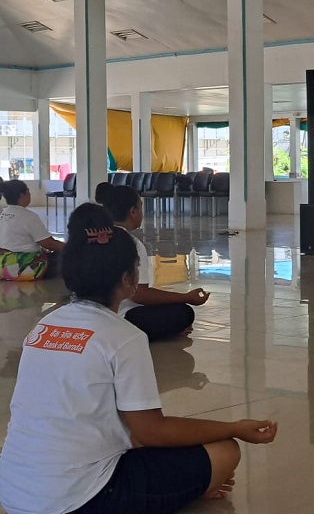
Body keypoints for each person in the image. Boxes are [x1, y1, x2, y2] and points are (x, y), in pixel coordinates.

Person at [0, 203, 278, 514]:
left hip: (14, 493)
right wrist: (234, 427)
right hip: (80, 500)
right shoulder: (124, 337)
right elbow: (151, 432)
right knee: (224, 452)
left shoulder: (43, 327)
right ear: (129, 279)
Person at [97, 184, 208, 341]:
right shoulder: (132, 244)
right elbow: (140, 295)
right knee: (183, 313)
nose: (142, 213)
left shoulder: (95, 237)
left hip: (89, 312)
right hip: (122, 316)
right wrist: (186, 297)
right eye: (140, 208)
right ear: (133, 211)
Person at [0, 180, 63, 280]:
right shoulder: (29, 216)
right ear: (22, 195)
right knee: (63, 257)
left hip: (2, 266)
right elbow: (49, 244)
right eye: (28, 192)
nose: (30, 195)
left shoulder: (2, 215)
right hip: (23, 267)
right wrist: (71, 247)